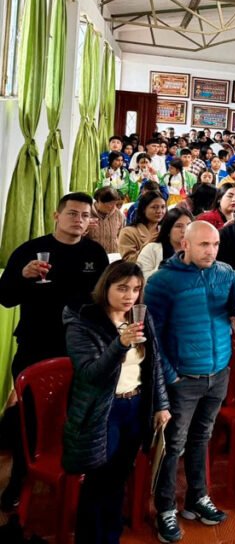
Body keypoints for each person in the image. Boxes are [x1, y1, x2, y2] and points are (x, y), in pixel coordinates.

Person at [146, 222, 235, 542]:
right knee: (173, 445)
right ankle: (165, 508)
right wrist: (170, 375)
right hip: (183, 378)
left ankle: (196, 498)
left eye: (215, 245)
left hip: (218, 372)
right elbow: (152, 337)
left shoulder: (225, 273)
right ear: (184, 244)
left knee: (202, 438)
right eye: (203, 245)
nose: (211, 251)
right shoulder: (161, 282)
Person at [0, 192, 110, 509]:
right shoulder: (29, 251)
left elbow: (102, 302)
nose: (79, 220)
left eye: (85, 215)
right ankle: (19, 478)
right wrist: (23, 276)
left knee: (75, 416)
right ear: (56, 216)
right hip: (36, 345)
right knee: (29, 418)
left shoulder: (95, 254)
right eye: (72, 213)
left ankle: (70, 477)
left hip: (80, 350)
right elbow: (5, 297)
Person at [62, 261, 171, 544]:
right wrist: (120, 344)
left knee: (119, 477)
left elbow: (154, 364)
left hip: (135, 405)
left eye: (136, 289)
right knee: (97, 482)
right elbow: (90, 374)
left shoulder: (140, 315)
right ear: (105, 287)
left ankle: (111, 537)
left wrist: (161, 405)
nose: (130, 296)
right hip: (103, 410)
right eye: (122, 288)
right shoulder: (83, 321)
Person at [138, 207, 195, 279]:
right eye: (178, 226)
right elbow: (140, 278)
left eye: (189, 225)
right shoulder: (151, 249)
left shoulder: (197, 250)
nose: (184, 230)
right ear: (168, 230)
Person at [118, 191, 167, 262]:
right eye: (154, 207)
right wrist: (148, 246)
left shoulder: (166, 231)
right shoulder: (128, 232)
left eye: (163, 207)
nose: (160, 211)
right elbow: (128, 261)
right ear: (144, 209)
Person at [86, 186, 126, 253]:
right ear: (98, 201)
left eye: (115, 203)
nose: (113, 207)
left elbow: (121, 236)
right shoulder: (86, 213)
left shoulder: (119, 215)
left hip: (112, 255)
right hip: (90, 255)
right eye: (110, 203)